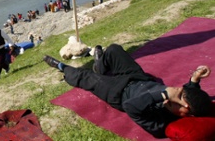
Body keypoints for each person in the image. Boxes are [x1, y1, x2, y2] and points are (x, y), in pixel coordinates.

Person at [43, 44, 212, 138]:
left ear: (185, 112)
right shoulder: (181, 103)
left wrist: (164, 94)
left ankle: (61, 67)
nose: (174, 95)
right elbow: (190, 93)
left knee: (85, 77)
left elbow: (131, 106)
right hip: (138, 78)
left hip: (118, 92)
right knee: (114, 50)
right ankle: (100, 66)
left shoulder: (160, 124)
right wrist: (195, 79)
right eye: (179, 95)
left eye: (178, 98)